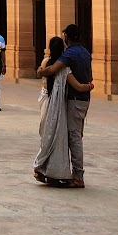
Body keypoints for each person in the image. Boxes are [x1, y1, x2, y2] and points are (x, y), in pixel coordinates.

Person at [38, 23, 94, 187]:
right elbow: (89, 76)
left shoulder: (70, 53)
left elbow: (53, 69)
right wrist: (88, 86)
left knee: (73, 136)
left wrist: (41, 72)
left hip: (75, 98)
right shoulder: (84, 51)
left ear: (67, 37)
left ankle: (78, 176)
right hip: (84, 99)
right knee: (74, 134)